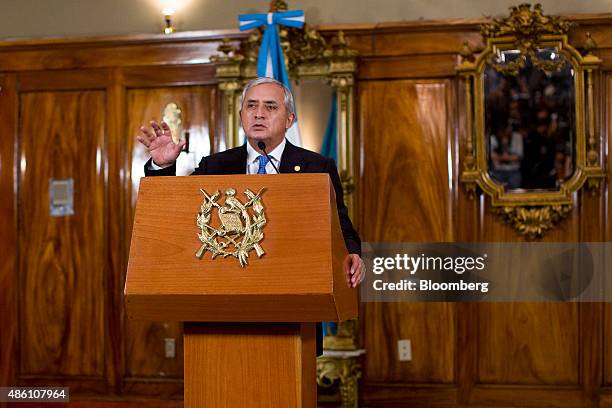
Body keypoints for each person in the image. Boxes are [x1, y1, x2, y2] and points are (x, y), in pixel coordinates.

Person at [137, 77, 365, 354]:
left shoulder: (316, 166)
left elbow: (341, 227)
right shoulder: (215, 165)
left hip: (294, 306)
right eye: (251, 106)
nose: (259, 113)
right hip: (223, 307)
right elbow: (177, 219)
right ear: (242, 115)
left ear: (289, 119)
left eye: (270, 107)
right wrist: (163, 166)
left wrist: (352, 253)